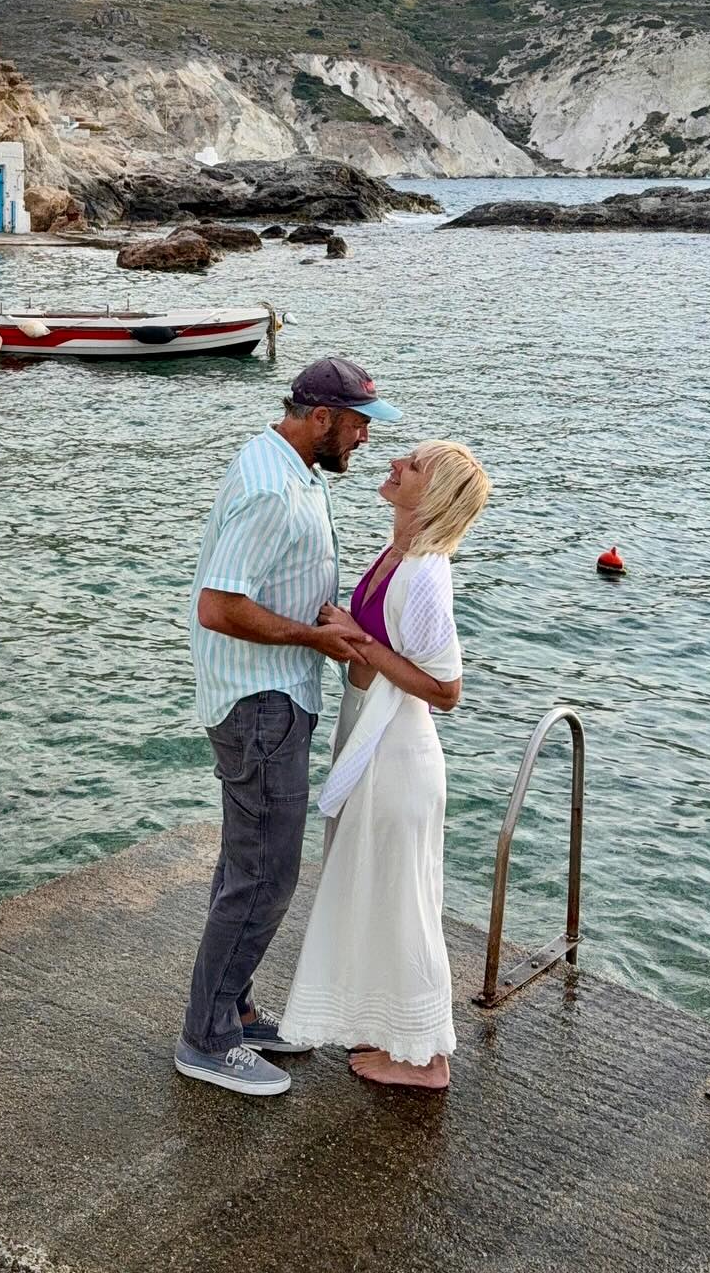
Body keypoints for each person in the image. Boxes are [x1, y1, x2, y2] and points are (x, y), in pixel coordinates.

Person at [174, 357, 403, 1099]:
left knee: (248, 865)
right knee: (265, 875)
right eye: (361, 423)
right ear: (322, 417)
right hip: (260, 701)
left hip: (269, 694)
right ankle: (206, 1039)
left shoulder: (285, 462)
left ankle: (231, 1010)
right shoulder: (276, 488)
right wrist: (316, 640)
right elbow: (219, 605)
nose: (367, 438)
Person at [278, 441, 492, 1089]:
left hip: (399, 754)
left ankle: (427, 1060)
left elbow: (447, 689)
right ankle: (395, 1033)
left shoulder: (425, 573)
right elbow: (376, 657)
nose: (396, 464)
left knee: (404, 904)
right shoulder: (396, 556)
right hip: (371, 739)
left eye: (415, 466)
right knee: (380, 896)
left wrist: (356, 635)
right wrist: (350, 637)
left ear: (432, 496)